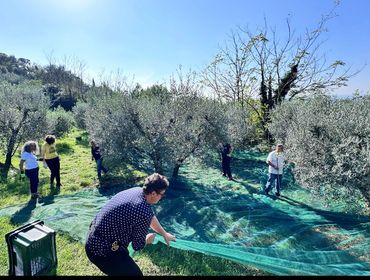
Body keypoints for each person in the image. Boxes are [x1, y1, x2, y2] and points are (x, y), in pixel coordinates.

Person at [85, 173, 176, 276]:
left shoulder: (137, 191)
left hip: (92, 239)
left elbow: (151, 216)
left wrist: (164, 234)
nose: (162, 197)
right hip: (102, 251)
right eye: (162, 194)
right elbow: (137, 245)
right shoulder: (142, 211)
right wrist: (147, 239)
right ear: (153, 193)